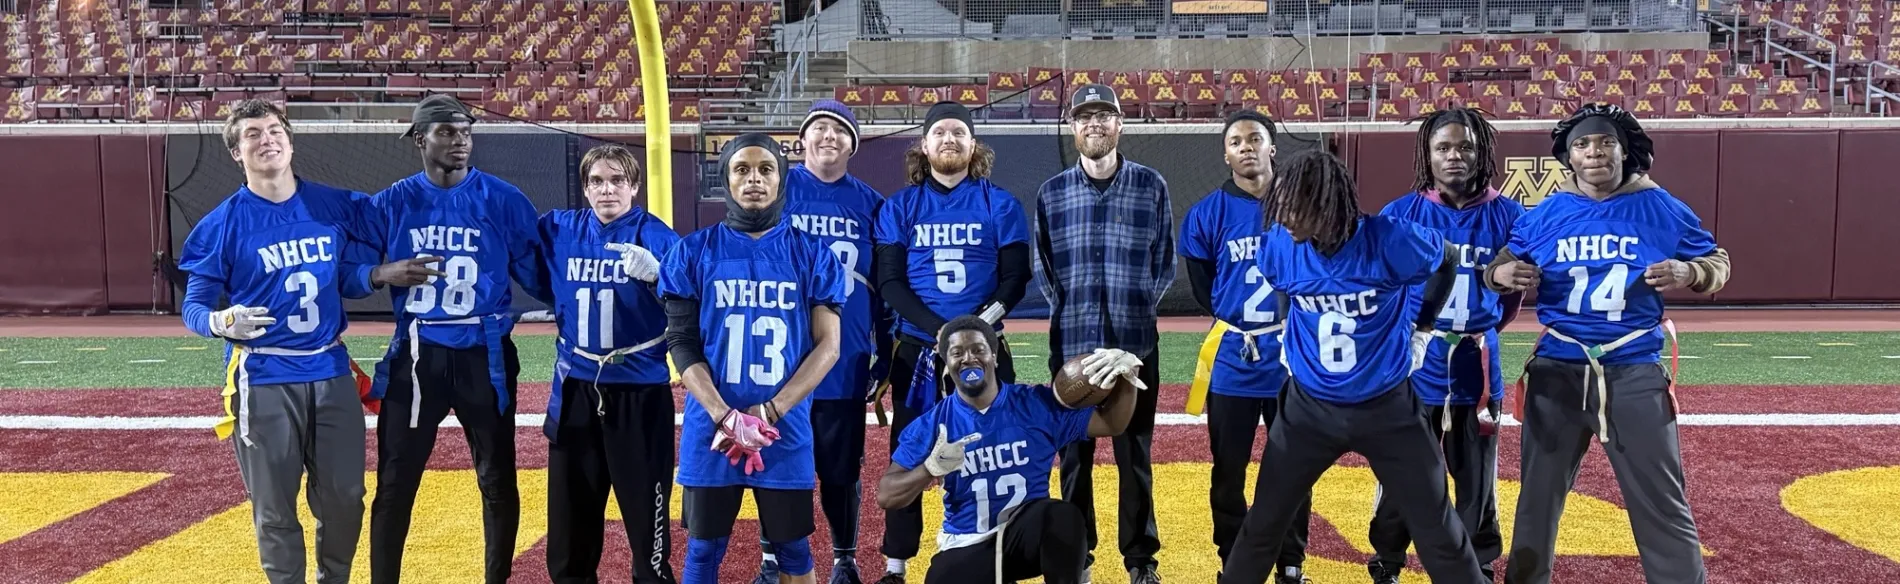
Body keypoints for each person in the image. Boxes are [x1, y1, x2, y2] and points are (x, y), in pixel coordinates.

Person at [179, 99, 436, 584]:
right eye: (253, 134)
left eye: (274, 130)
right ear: (236, 152)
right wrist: (219, 322)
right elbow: (193, 307)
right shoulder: (221, 224)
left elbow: (343, 278)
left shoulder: (333, 205)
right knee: (274, 505)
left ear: (290, 141)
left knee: (345, 497)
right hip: (264, 374)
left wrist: (376, 274)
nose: (267, 139)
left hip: (330, 369)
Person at [1485, 104, 1730, 584]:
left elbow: (1717, 262)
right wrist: (1501, 275)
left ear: (1624, 151)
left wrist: (1689, 271)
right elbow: (1499, 266)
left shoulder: (1662, 207)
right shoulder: (1546, 214)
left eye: (1605, 143)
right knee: (1537, 499)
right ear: (1568, 157)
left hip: (1634, 369)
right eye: (1582, 144)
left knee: (1661, 500)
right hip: (1558, 370)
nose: (1594, 152)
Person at [1217, 149, 1488, 584]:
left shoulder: (1390, 238)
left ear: (1327, 204)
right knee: (1263, 523)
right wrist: (1287, 328)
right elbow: (1281, 280)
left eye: (1294, 207)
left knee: (1438, 529)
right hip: (1308, 408)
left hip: (1387, 407)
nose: (1282, 217)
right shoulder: (1281, 244)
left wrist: (1423, 326)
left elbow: (1448, 258)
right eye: (1279, 205)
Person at [359, 94, 550, 584]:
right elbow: (347, 272)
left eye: (466, 131)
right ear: (419, 140)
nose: (460, 141)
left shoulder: (503, 199)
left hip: (485, 354)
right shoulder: (391, 203)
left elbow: (539, 276)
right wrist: (379, 273)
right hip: (416, 353)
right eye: (446, 132)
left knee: (498, 478)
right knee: (395, 482)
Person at [658, 134, 848, 584]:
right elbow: (681, 342)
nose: (754, 179)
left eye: (766, 169)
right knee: (702, 552)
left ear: (781, 180)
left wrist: (769, 412)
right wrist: (725, 416)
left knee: (794, 550)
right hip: (712, 428)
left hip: (784, 426)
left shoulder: (811, 253)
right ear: (725, 180)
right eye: (742, 169)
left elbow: (829, 346)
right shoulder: (693, 251)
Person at [870, 101, 1033, 584]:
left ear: (973, 144)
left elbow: (1015, 278)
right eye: (939, 132)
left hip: (984, 351)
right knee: (910, 451)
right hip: (919, 352)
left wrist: (974, 330)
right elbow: (890, 282)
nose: (949, 139)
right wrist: (942, 332)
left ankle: (994, 551)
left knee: (998, 447)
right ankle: (896, 564)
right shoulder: (901, 206)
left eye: (959, 132)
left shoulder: (999, 203)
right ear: (924, 145)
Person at [1367, 106, 1523, 584]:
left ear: (1481, 153)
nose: (1454, 156)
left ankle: (1478, 562)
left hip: (1477, 363)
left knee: (1476, 475)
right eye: (1443, 147)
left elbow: (1511, 300)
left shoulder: (1509, 215)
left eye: (1465, 147)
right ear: (1427, 155)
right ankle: (1388, 557)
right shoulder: (1400, 214)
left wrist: (1482, 328)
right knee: (1402, 468)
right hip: (1415, 362)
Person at [876, 315, 1146, 584]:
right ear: (946, 362)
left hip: (1025, 537)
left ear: (994, 357)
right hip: (967, 542)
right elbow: (887, 496)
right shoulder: (932, 425)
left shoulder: (1035, 405)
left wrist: (1127, 377)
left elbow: (1111, 423)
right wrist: (929, 469)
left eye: (978, 349)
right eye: (957, 353)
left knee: (1063, 517)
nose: (969, 358)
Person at [1032, 83, 1174, 584]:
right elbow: (1043, 268)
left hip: (1135, 348)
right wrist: (1074, 317)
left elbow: (1164, 262)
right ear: (1073, 128)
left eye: (1104, 115)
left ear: (1120, 124)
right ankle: (1078, 557)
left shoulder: (1151, 185)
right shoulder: (1052, 193)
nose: (1094, 123)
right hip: (1073, 348)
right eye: (1084, 116)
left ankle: (1140, 560)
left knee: (1135, 456)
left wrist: (1134, 319)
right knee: (1074, 460)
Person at [753, 100, 889, 584]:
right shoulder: (777, 190)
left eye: (840, 130)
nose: (829, 136)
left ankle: (844, 559)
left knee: (839, 469)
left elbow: (885, 285)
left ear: (853, 144)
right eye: (820, 128)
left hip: (844, 357)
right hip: (780, 355)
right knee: (774, 462)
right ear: (802, 140)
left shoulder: (873, 204)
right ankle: (772, 559)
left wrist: (884, 351)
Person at [537, 144, 682, 584]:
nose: (607, 190)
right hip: (575, 388)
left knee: (646, 521)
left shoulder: (658, 237)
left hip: (639, 391)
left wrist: (661, 276)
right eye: (597, 181)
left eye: (617, 180)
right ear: (584, 188)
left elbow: (694, 303)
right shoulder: (560, 229)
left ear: (634, 186)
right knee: (569, 523)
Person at [1178, 110, 1311, 584]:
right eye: (1236, 141)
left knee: (1294, 465)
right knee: (1228, 469)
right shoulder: (1207, 213)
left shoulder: (1302, 204)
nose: (1246, 147)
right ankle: (1233, 561)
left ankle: (1291, 562)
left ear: (1273, 147)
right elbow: (1203, 289)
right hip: (1234, 357)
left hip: (1291, 357)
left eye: (1255, 138)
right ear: (1226, 154)